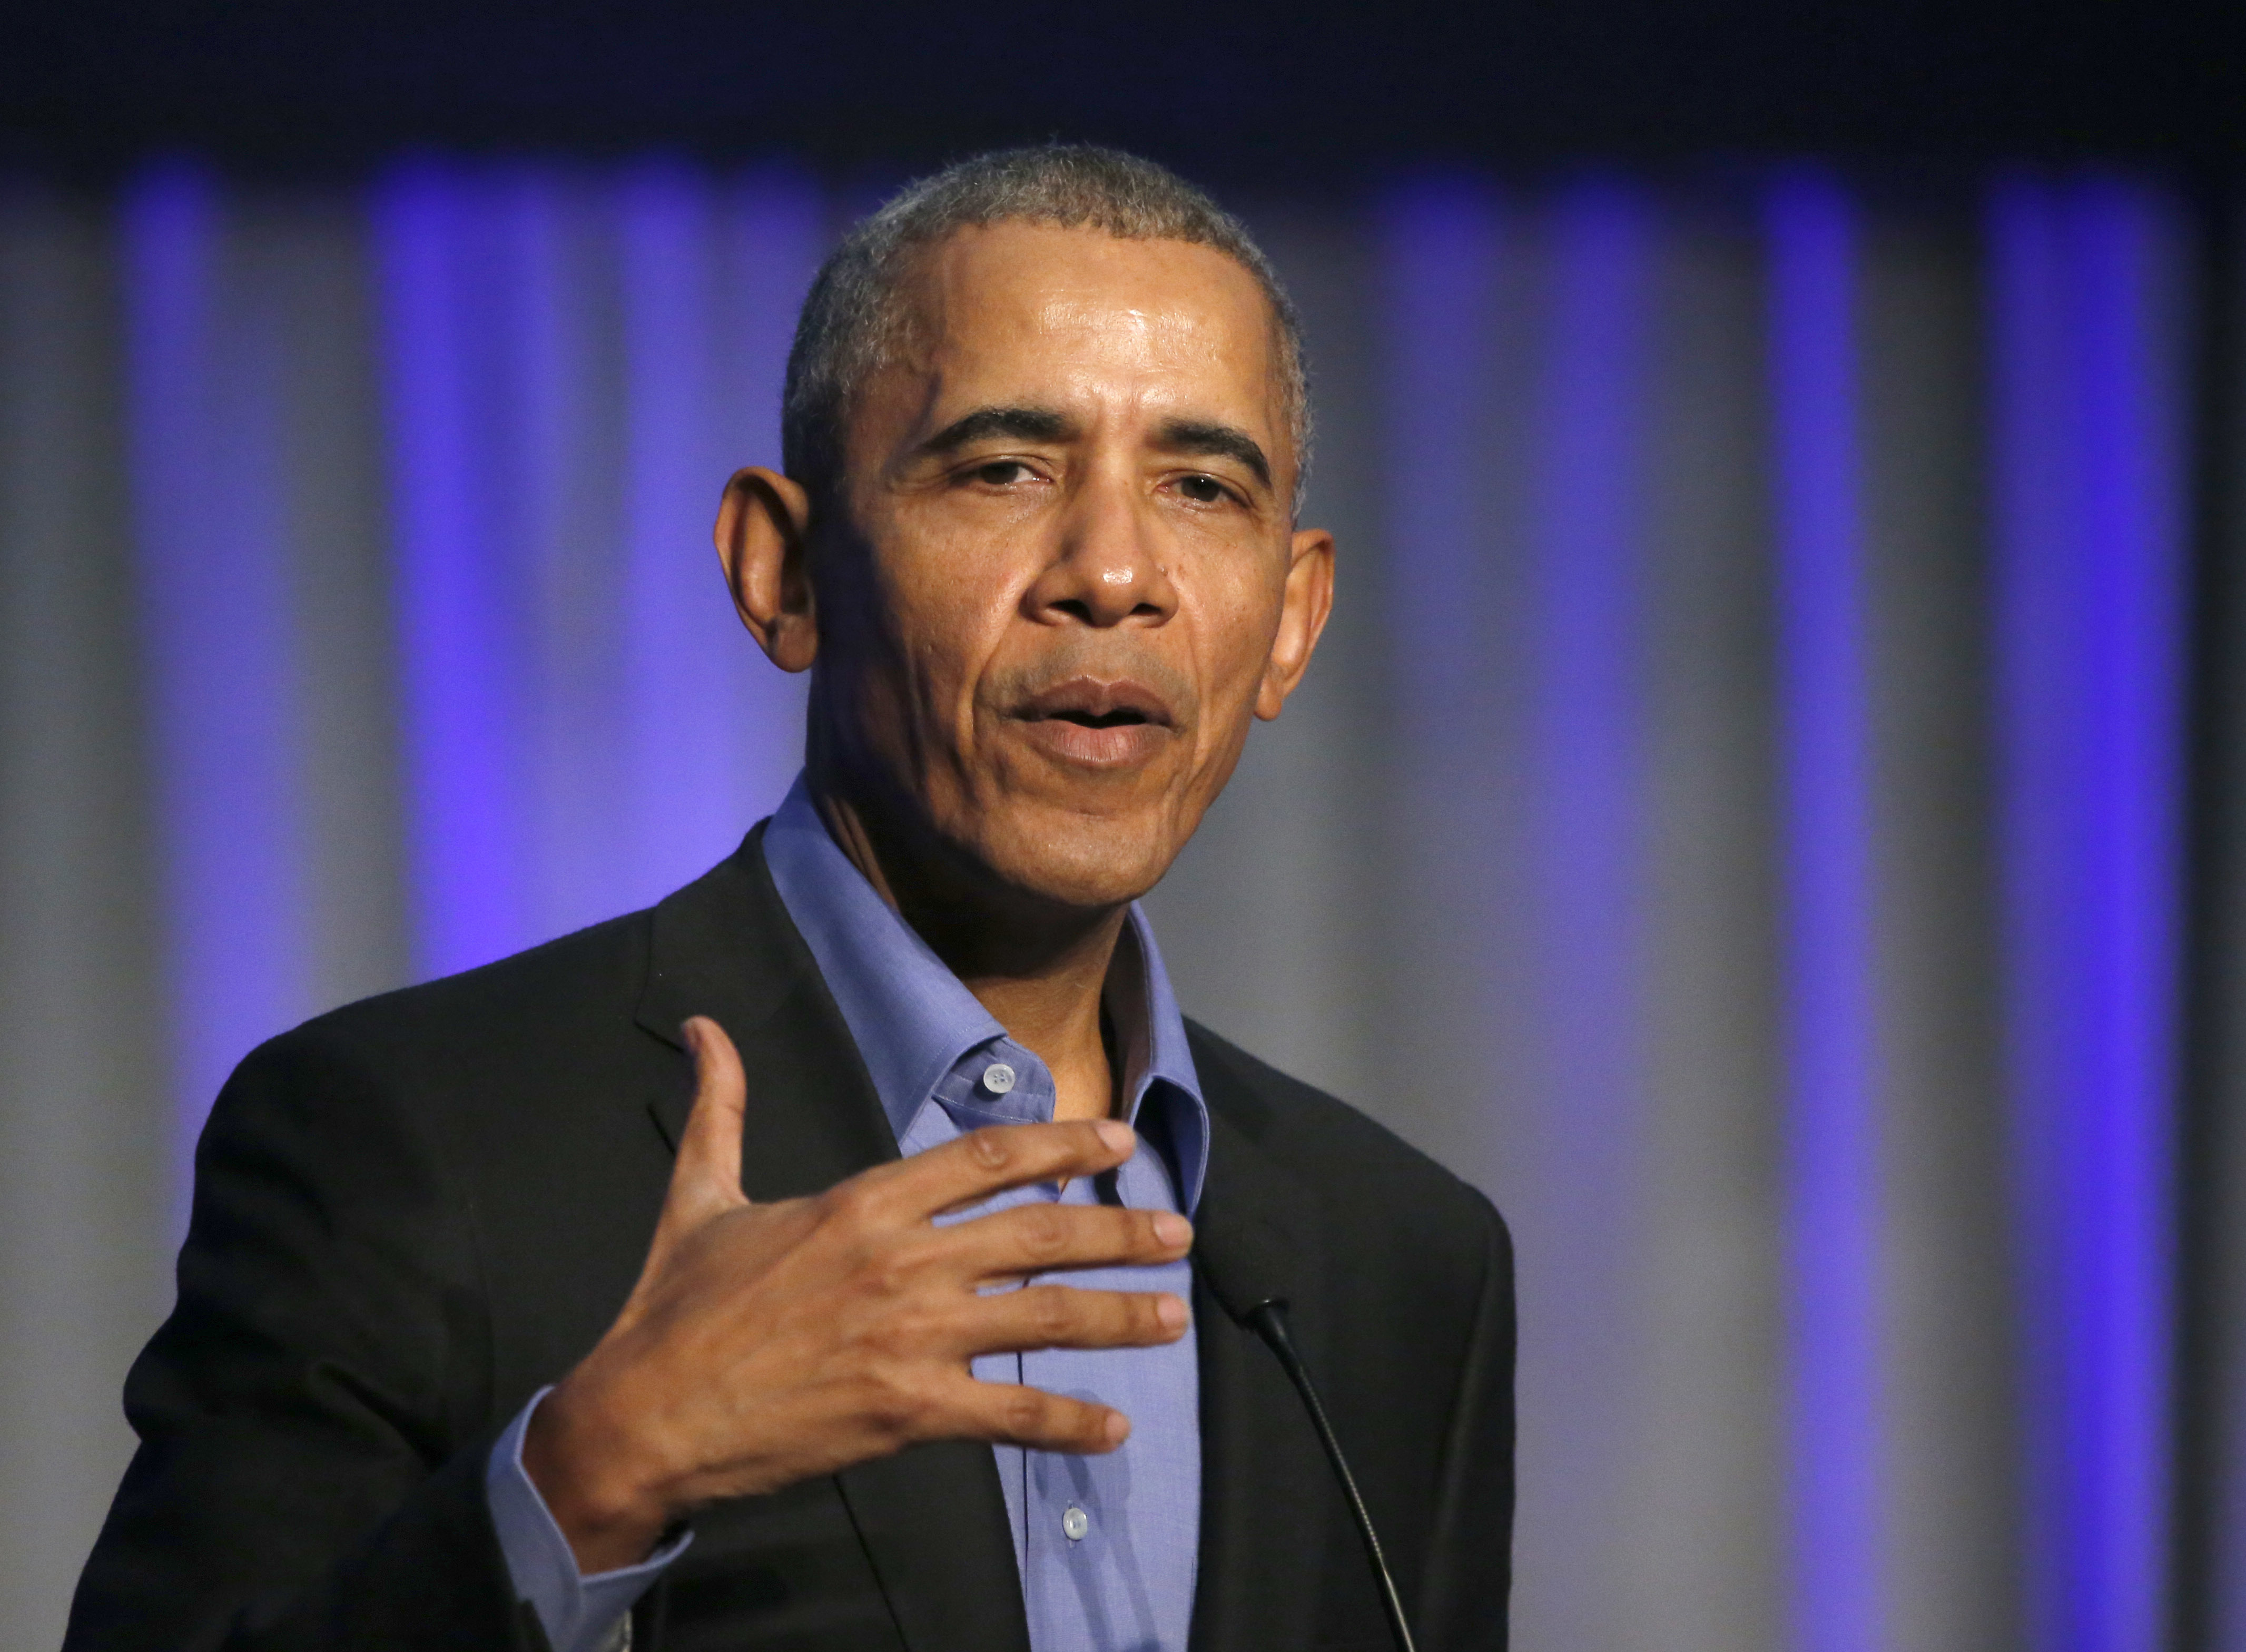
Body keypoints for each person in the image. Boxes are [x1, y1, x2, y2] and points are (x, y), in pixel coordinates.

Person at [65, 144, 1513, 1652]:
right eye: (1006, 469)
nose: (1113, 574)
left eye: (1203, 487)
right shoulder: (411, 1143)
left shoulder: (1404, 1260)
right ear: (785, 572)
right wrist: (591, 1475)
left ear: (1289, 622)